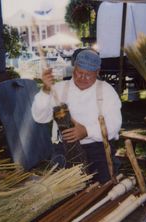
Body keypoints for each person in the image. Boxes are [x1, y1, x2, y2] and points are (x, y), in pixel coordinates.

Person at [31, 49, 122, 183]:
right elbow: (40, 117)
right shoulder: (61, 88)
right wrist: (45, 90)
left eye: (88, 75)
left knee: (100, 191)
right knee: (65, 195)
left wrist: (86, 131)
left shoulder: (106, 91)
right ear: (74, 68)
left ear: (97, 72)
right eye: (79, 72)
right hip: (64, 149)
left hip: (97, 150)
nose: (82, 78)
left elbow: (114, 125)